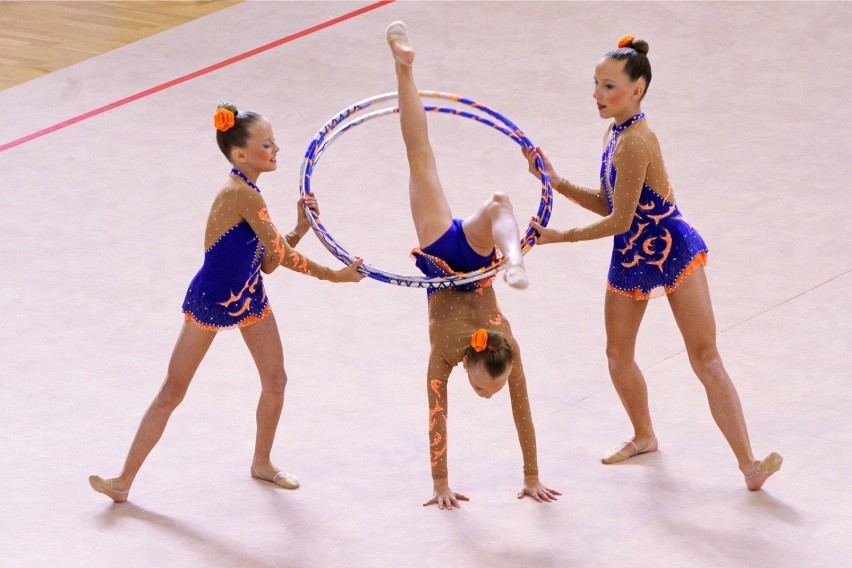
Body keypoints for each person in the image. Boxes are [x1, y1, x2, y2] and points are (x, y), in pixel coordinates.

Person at [522, 36, 781, 491]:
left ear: (637, 89)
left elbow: (621, 219)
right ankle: (644, 436)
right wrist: (556, 181)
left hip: (671, 247)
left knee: (707, 358)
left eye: (609, 86)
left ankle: (749, 465)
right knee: (618, 355)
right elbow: (610, 202)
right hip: (632, 254)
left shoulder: (636, 141)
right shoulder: (614, 134)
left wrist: (560, 237)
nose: (598, 95)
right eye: (596, 84)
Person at [88, 104, 364, 503]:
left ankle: (262, 464)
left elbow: (268, 261)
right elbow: (282, 258)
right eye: (266, 144)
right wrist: (334, 276)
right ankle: (122, 481)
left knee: (276, 380)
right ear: (240, 155)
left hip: (249, 293)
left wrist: (300, 229)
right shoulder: (240, 195)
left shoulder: (252, 193)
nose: (276, 148)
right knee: (172, 390)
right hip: (212, 300)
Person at [386, 21, 559, 509]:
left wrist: (531, 476)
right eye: (488, 388)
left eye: (491, 387)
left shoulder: (481, 355)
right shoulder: (452, 352)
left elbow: (517, 409)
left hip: (444, 257)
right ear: (472, 365)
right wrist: (440, 485)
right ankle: (513, 257)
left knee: (422, 158)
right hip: (472, 265)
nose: (490, 395)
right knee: (490, 201)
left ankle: (403, 67)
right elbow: (438, 416)